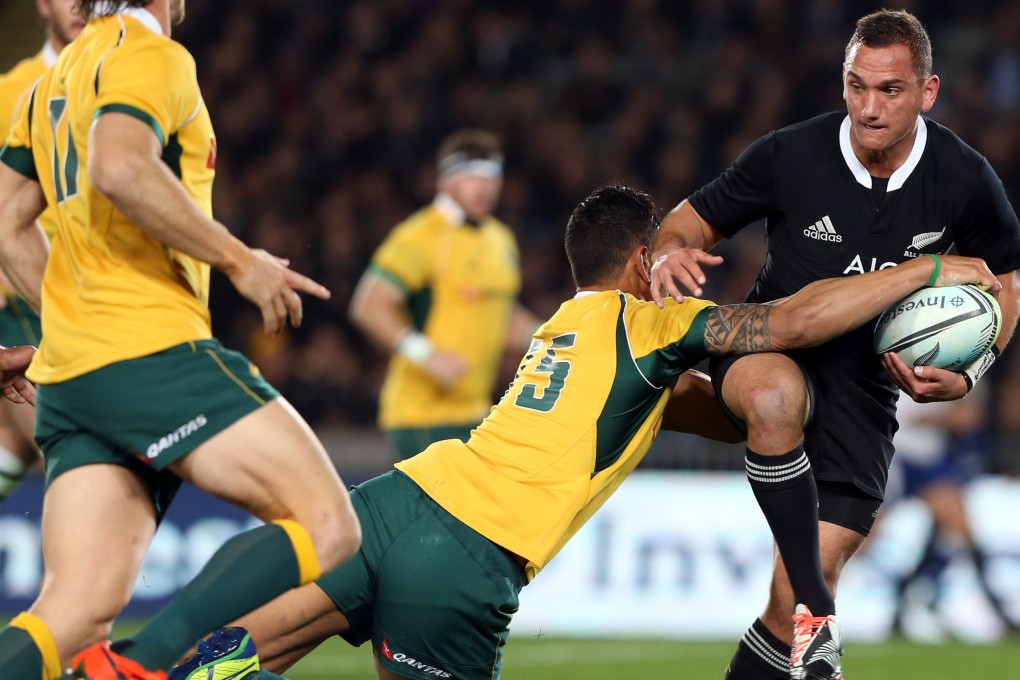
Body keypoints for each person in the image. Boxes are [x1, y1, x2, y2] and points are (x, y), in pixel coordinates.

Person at [182, 185, 996, 680]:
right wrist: (923, 271)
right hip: (468, 555)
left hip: (397, 503)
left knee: (255, 646)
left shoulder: (563, 327)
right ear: (644, 263)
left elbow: (702, 413)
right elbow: (791, 319)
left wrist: (784, 418)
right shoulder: (650, 325)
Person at [648, 9, 1020, 680]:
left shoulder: (964, 178)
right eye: (856, 87)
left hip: (867, 387)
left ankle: (803, 612)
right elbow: (689, 221)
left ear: (928, 92)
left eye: (890, 90)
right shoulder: (791, 153)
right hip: (766, 346)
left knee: (786, 598)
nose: (870, 107)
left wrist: (974, 369)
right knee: (772, 396)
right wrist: (670, 252)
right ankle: (821, 617)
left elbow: (1009, 280)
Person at [0, 1, 362, 679]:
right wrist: (238, 262)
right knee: (328, 523)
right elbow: (120, 168)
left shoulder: (56, 77)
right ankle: (141, 665)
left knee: (70, 614)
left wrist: (70, 324)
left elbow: (6, 220)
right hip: (149, 352)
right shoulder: (151, 53)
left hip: (75, 377)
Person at [348, 129, 541, 460]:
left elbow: (500, 314)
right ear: (445, 180)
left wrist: (550, 337)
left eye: (491, 176)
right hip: (422, 416)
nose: (483, 186)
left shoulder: (500, 239)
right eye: (471, 175)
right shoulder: (421, 235)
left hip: (477, 412)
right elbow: (368, 305)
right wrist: (426, 355)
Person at [0, 0, 85, 504]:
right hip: (27, 296)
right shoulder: (12, 91)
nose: (79, 5)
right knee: (80, 447)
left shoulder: (121, 83)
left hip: (95, 297)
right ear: (41, 5)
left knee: (16, 442)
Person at [883, 390, 1017, 640]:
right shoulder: (892, 373)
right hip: (893, 459)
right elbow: (952, 418)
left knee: (954, 529)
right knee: (864, 537)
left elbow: (968, 416)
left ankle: (906, 606)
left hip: (928, 464)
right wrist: (944, 417)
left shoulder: (941, 366)